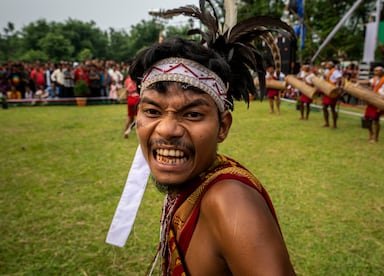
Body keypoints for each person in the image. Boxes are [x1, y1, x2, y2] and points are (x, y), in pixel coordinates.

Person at [106, 2, 296, 275]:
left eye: (193, 114)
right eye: (152, 111)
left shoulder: (230, 202)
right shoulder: (197, 182)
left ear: (223, 126)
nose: (167, 129)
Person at [363, 66, 384, 143]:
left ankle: (375, 138)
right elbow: (368, 82)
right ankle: (371, 133)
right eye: (375, 71)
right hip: (372, 100)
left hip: (379, 101)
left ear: (382, 71)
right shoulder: (375, 78)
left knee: (376, 120)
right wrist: (356, 81)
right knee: (366, 118)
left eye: (377, 71)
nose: (375, 72)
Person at [322, 61, 342, 128]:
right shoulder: (328, 71)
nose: (326, 65)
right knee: (324, 107)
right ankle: (326, 122)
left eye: (328, 64)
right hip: (328, 90)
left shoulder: (335, 71)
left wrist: (337, 87)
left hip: (332, 90)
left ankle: (334, 124)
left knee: (332, 108)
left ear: (331, 65)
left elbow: (339, 78)